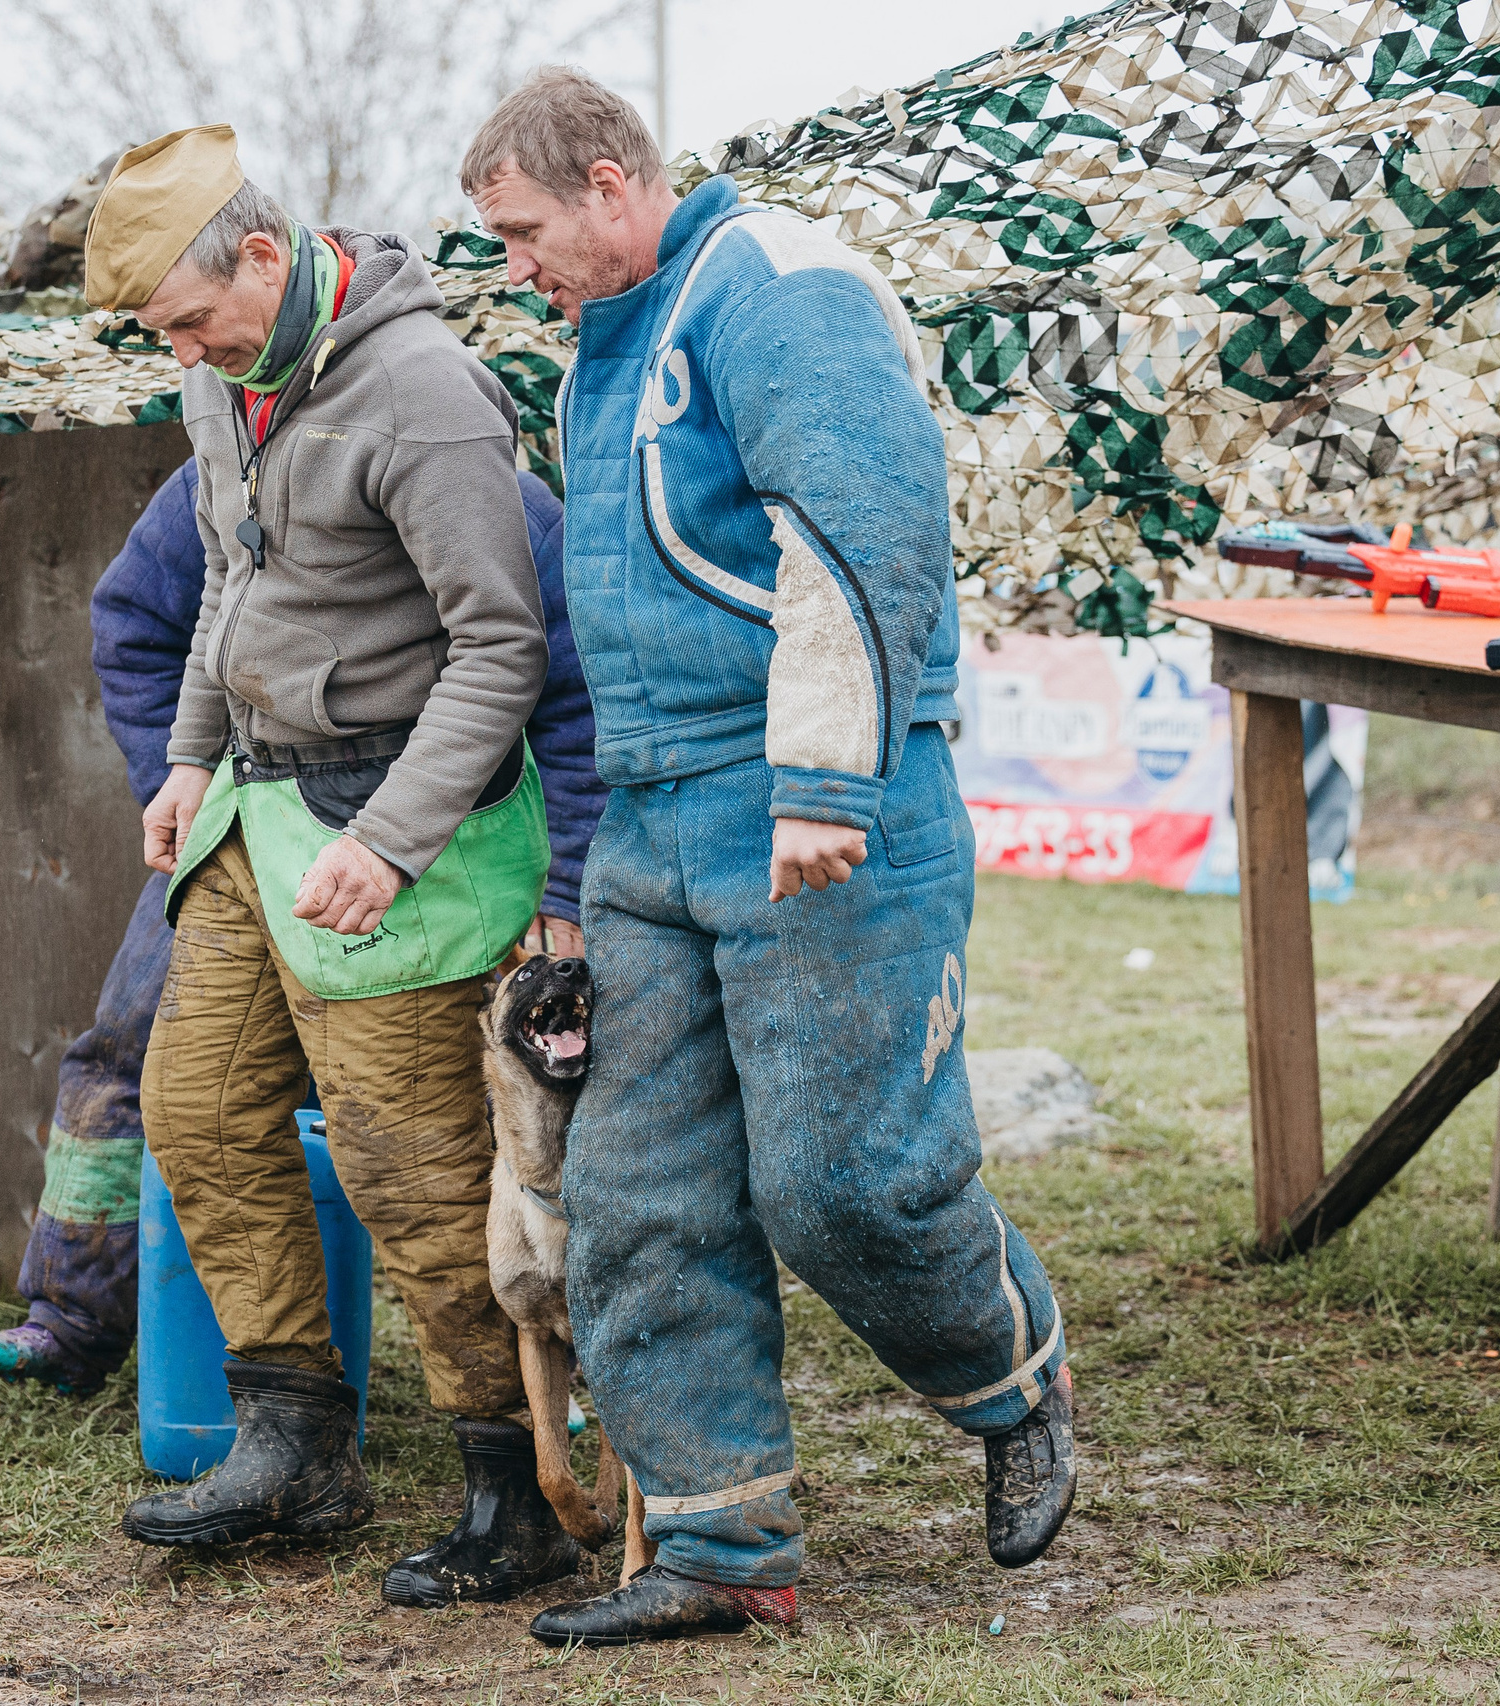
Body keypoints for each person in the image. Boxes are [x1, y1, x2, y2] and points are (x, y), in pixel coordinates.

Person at [460, 69, 1078, 1646]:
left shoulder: (778, 287)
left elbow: (860, 528)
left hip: (816, 805)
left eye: (527, 231)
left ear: (610, 185)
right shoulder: (607, 340)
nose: (516, 266)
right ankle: (722, 1543)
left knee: (842, 1182)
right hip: (658, 818)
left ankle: (1012, 1371)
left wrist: (823, 778)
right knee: (636, 1186)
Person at [76, 123, 582, 1609]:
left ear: (265, 253)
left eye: (188, 316)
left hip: (405, 831)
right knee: (196, 1104)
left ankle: (515, 1490)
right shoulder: (222, 378)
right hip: (257, 807)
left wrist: (390, 838)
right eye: (163, 334)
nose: (181, 351)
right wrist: (183, 754)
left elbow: (506, 648)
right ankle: (294, 1438)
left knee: (414, 1171)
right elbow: (233, 582)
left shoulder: (423, 395)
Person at [0, 460, 603, 1396]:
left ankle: (537, 1385)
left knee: (459, 1121)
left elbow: (571, 690)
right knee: (134, 1062)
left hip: (446, 859)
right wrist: (186, 788)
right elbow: (136, 623)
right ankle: (72, 1317)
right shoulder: (224, 467)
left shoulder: (484, 492)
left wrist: (566, 884)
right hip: (246, 830)